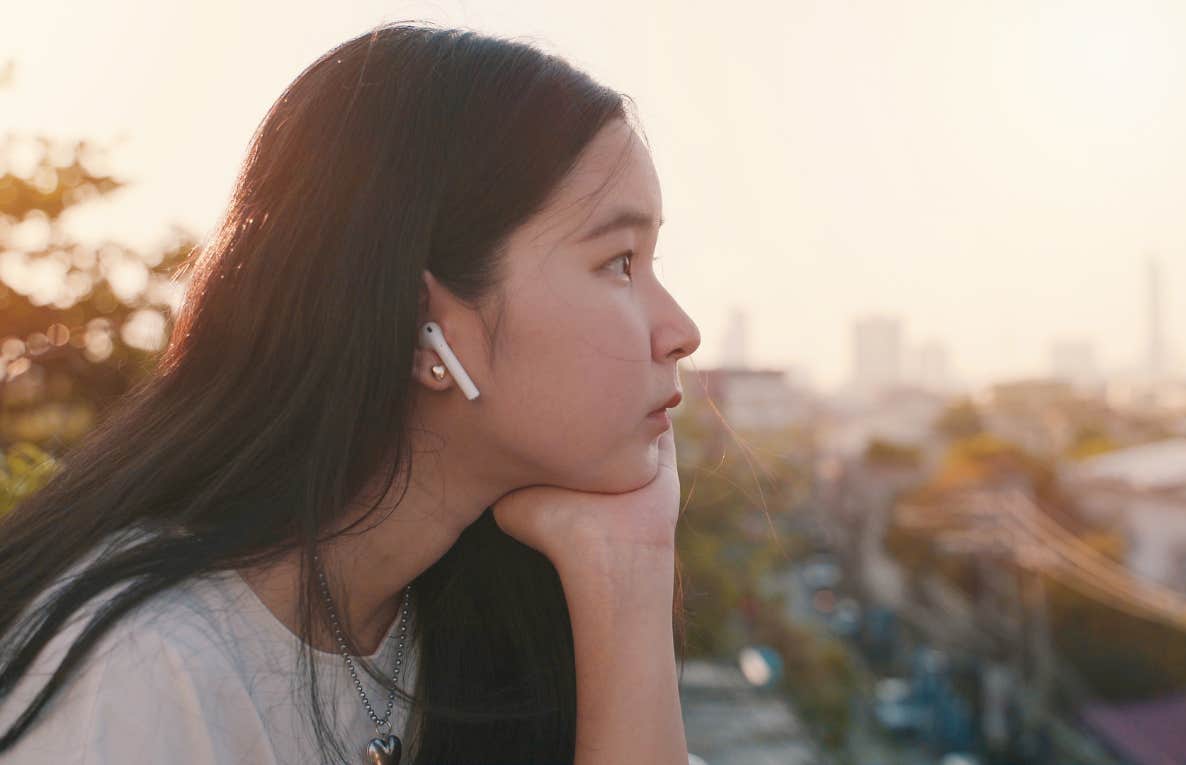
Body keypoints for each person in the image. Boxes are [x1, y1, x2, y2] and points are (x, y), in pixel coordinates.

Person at [0, 20, 701, 765]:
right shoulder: (137, 678)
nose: (681, 330)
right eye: (618, 262)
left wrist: (630, 572)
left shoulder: (467, 609)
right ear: (422, 321)